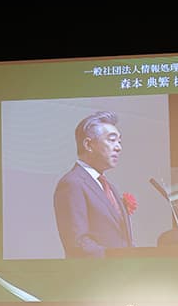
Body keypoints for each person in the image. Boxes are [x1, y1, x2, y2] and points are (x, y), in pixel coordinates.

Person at [53, 110, 133, 258]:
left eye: (119, 141)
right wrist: (116, 259)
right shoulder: (72, 183)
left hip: (124, 269)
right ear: (88, 145)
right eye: (112, 140)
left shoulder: (109, 186)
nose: (118, 147)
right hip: (96, 270)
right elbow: (77, 243)